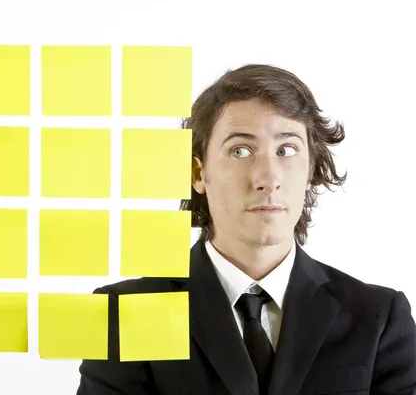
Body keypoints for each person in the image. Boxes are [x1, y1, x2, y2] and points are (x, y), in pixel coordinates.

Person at [76, 64, 416, 394]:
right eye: (240, 150)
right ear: (198, 173)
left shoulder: (380, 317)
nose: (268, 179)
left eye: (287, 150)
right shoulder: (123, 314)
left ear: (311, 169)